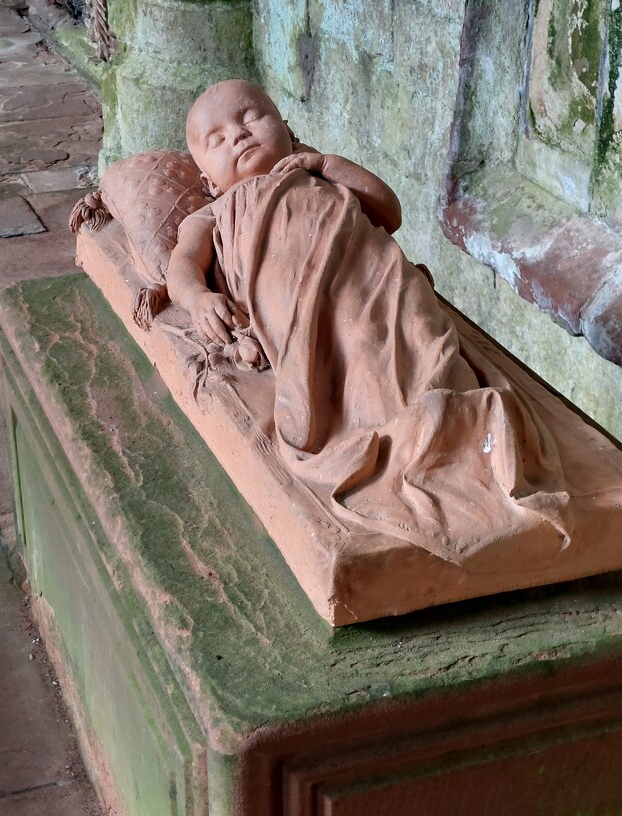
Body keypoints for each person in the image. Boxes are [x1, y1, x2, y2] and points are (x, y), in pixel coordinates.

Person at [166, 79, 569, 568]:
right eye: (217, 138)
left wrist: (324, 164)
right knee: (353, 347)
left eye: (251, 117)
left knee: (416, 334)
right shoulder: (213, 213)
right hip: (297, 305)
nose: (237, 135)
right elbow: (182, 265)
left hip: (372, 274)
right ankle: (413, 439)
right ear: (208, 180)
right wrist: (197, 299)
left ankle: (456, 412)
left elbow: (388, 211)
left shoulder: (316, 173)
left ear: (288, 131)